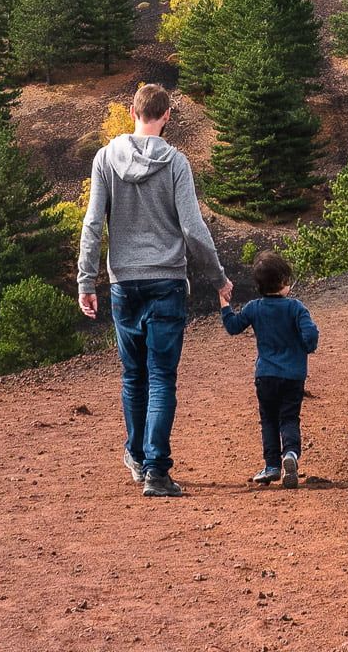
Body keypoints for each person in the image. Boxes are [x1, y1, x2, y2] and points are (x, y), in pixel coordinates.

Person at [78, 83, 232, 498]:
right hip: (166, 282)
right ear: (166, 116)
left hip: (123, 283)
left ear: (132, 111)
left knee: (134, 376)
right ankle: (157, 472)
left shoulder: (105, 159)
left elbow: (93, 224)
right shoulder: (176, 163)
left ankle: (136, 455)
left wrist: (85, 280)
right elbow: (192, 229)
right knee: (162, 377)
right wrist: (218, 278)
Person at [221, 251, 319, 489]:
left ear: (258, 285)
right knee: (289, 417)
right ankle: (291, 455)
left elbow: (233, 327)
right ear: (285, 282)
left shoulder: (254, 308)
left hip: (265, 376)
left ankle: (272, 465)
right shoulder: (296, 308)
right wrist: (305, 347)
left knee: (268, 420)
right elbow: (311, 337)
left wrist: (224, 304)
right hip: (293, 376)